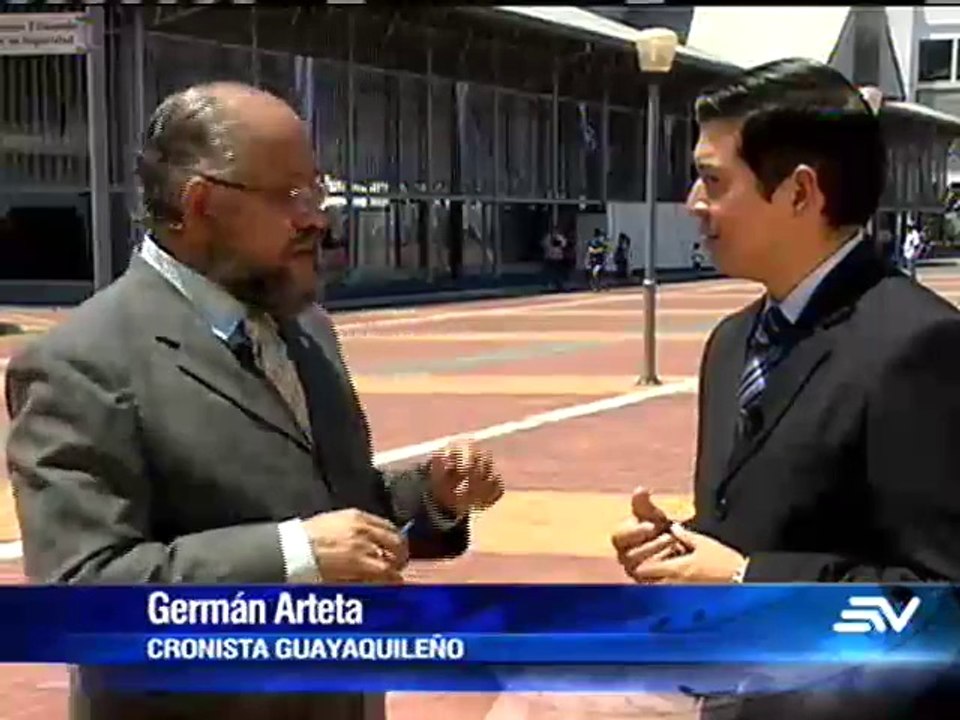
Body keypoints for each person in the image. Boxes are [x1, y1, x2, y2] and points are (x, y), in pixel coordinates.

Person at [5, 83, 504, 720]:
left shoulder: (305, 327)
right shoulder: (81, 364)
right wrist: (295, 554)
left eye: (316, 191)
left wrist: (430, 496)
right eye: (290, 197)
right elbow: (82, 595)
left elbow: (328, 507)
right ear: (200, 203)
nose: (316, 218)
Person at [611, 59, 960, 718]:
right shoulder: (732, 344)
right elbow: (772, 525)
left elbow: (943, 606)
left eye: (714, 180)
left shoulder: (922, 349)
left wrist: (746, 582)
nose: (693, 201)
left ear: (800, 193)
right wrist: (685, 550)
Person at [543, 225, 567, 291]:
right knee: (550, 272)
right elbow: (545, 245)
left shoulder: (560, 237)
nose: (555, 232)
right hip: (550, 257)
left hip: (558, 257)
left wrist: (558, 240)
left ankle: (559, 285)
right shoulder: (548, 237)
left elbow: (564, 244)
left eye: (556, 230)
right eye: (554, 230)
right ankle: (550, 285)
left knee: (558, 272)